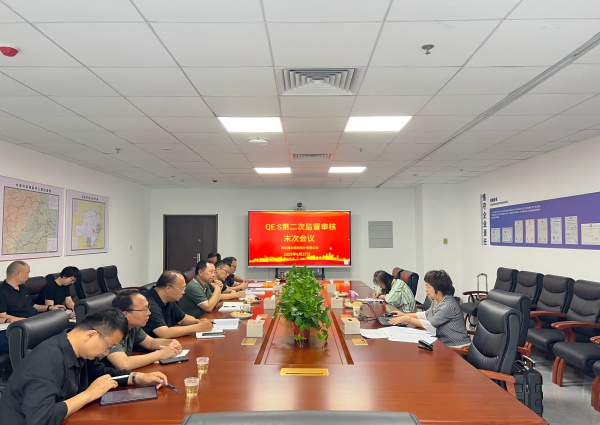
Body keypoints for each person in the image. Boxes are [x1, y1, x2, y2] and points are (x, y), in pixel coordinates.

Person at [0, 308, 168, 425]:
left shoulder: (78, 350)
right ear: (90, 335)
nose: (106, 352)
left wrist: (136, 377)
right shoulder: (46, 361)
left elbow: (100, 373)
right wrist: (89, 394)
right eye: (108, 346)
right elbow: (41, 419)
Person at [100, 289, 183, 369]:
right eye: (144, 309)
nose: (149, 313)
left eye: (148, 308)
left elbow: (150, 343)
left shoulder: (132, 326)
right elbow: (124, 364)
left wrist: (170, 342)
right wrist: (160, 354)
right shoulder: (109, 330)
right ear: (125, 314)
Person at [389, 270, 471, 348]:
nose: (426, 289)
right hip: (443, 342)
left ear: (438, 289)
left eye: (428, 286)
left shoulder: (447, 306)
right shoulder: (437, 300)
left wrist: (406, 318)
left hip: (456, 346)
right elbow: (426, 314)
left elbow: (429, 325)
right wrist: (404, 314)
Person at [0, 261, 66, 353]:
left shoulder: (23, 288)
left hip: (35, 321)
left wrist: (49, 308)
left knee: (62, 328)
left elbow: (32, 306)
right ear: (18, 273)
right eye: (27, 273)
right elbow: (2, 315)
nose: (28, 276)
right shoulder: (2, 292)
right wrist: (22, 320)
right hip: (23, 326)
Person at [142, 270, 213, 338]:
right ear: (168, 289)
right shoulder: (149, 304)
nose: (183, 292)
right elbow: (164, 333)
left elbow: (182, 319)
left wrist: (198, 322)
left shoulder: (169, 299)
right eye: (182, 289)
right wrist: (196, 327)